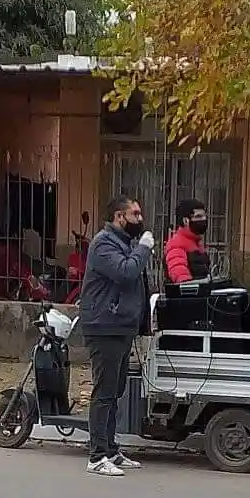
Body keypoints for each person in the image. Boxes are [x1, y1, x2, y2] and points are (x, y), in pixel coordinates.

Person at [78, 195, 155, 477]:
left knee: (116, 391)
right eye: (135, 214)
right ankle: (96, 455)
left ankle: (110, 449)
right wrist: (144, 249)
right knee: (105, 392)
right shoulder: (103, 243)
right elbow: (125, 273)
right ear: (119, 217)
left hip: (121, 326)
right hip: (104, 325)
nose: (140, 220)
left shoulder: (124, 243)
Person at [164, 199, 211, 283]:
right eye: (198, 216)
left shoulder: (196, 243)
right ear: (185, 220)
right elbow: (182, 279)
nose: (204, 219)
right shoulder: (176, 244)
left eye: (204, 216)